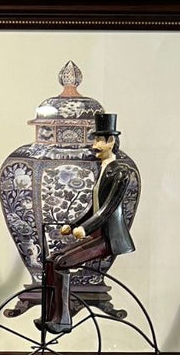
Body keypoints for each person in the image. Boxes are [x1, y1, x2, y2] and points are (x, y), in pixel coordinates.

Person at [38, 112, 136, 334]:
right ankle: (50, 315)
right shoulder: (103, 170)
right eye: (95, 140)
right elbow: (92, 209)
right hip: (96, 234)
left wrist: (85, 228)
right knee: (53, 259)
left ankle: (62, 320)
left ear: (111, 142)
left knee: (62, 262)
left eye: (99, 141)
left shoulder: (121, 172)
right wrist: (73, 225)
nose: (94, 146)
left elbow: (108, 209)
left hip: (108, 238)